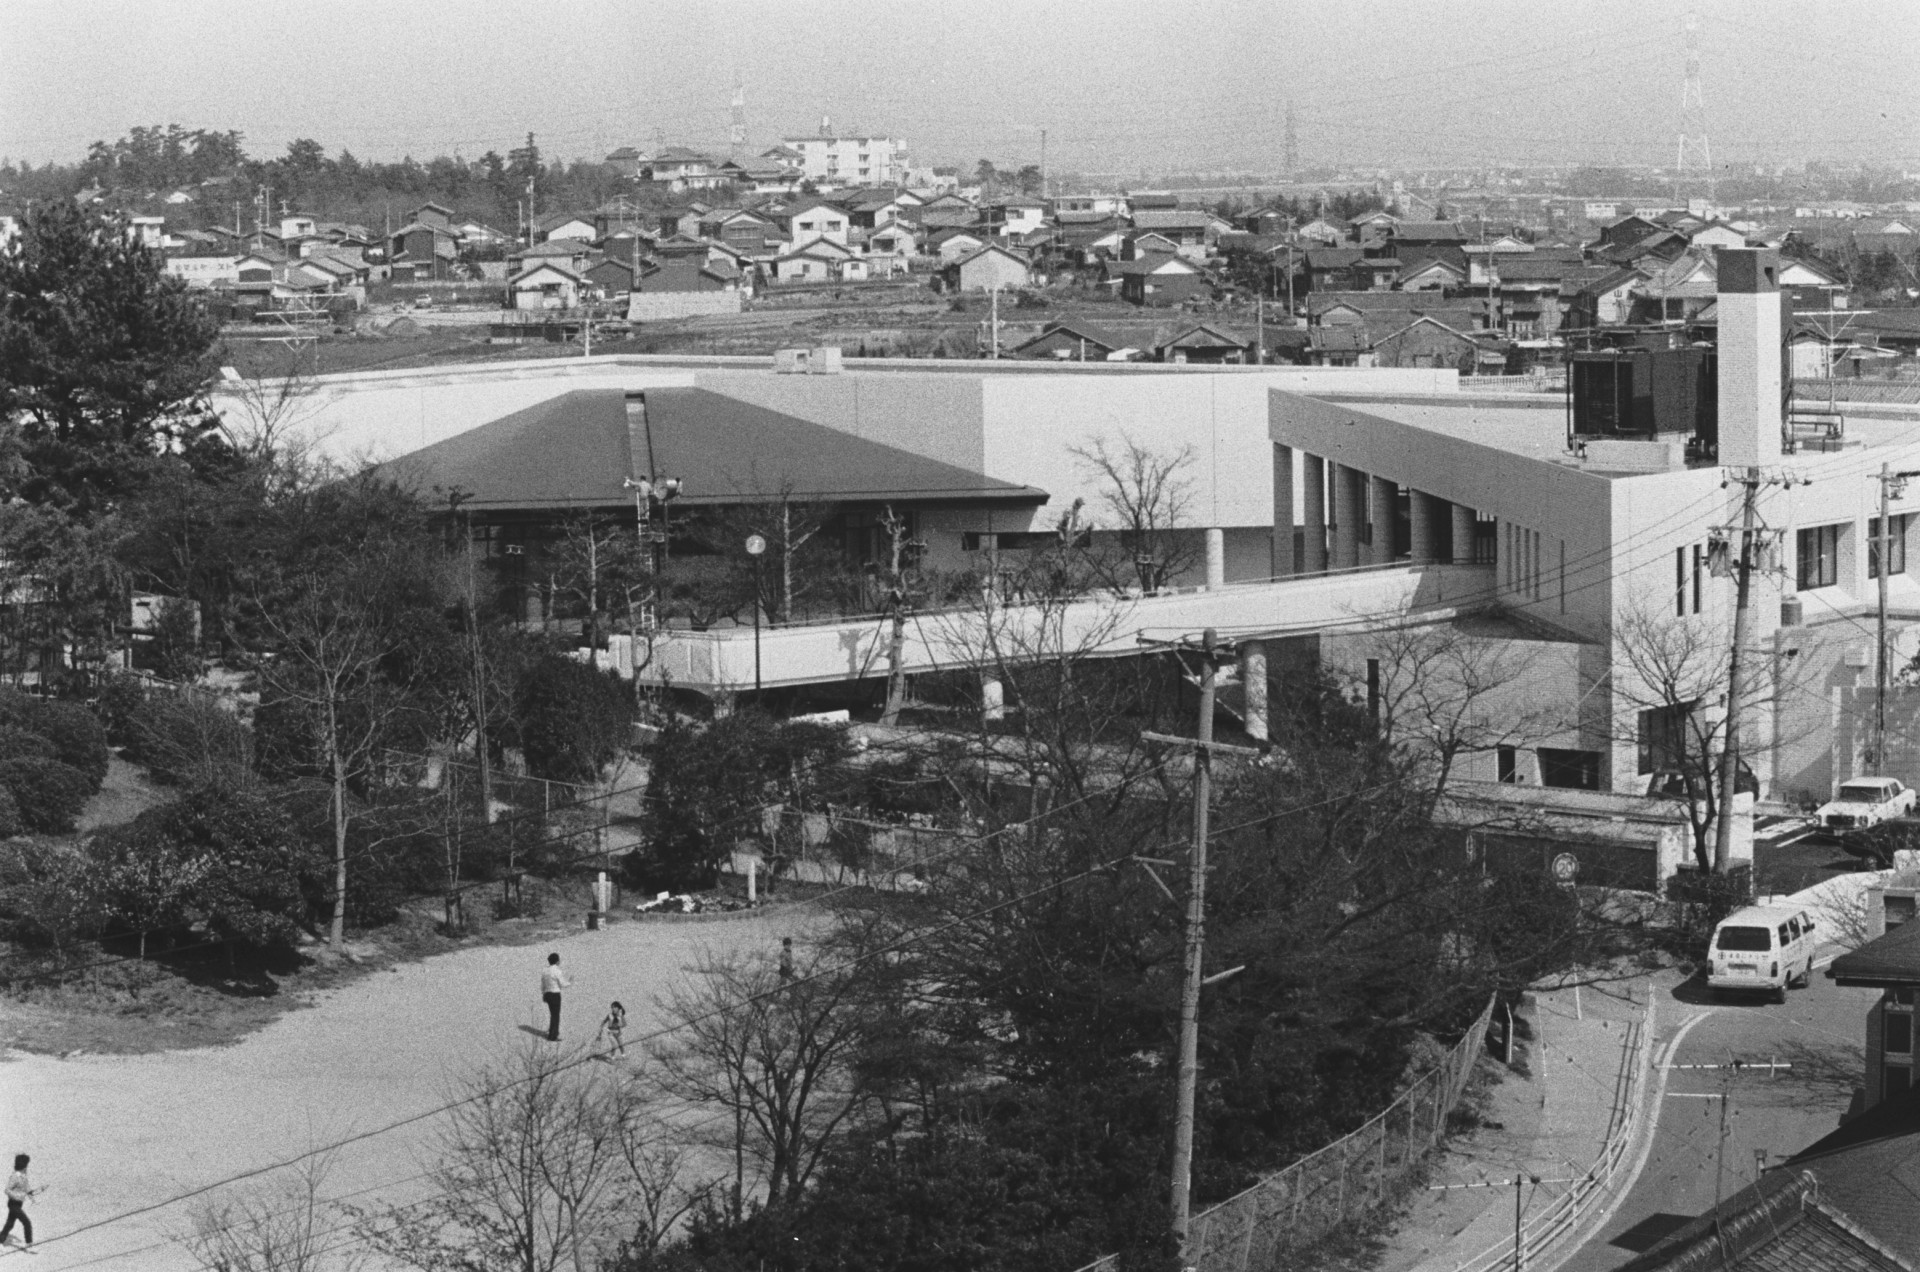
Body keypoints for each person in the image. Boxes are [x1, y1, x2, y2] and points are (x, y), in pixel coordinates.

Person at [1, 1153, 34, 1249]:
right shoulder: (15, 1176)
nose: (27, 1167)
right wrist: (17, 1196)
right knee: (26, 1222)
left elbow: (27, 1188)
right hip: (13, 1204)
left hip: (19, 1204)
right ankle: (29, 1244)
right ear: (23, 1165)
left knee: (10, 1224)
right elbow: (7, 1190)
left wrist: (32, 1198)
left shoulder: (23, 1176)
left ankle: (0, 1240)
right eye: (26, 1165)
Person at [540, 953, 569, 1042]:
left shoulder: (545, 970)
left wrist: (543, 994)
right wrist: (570, 982)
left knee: (552, 1014)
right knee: (555, 1015)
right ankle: (553, 1035)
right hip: (555, 994)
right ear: (557, 961)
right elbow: (563, 984)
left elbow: (542, 985)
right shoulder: (557, 971)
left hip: (547, 994)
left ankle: (551, 1032)